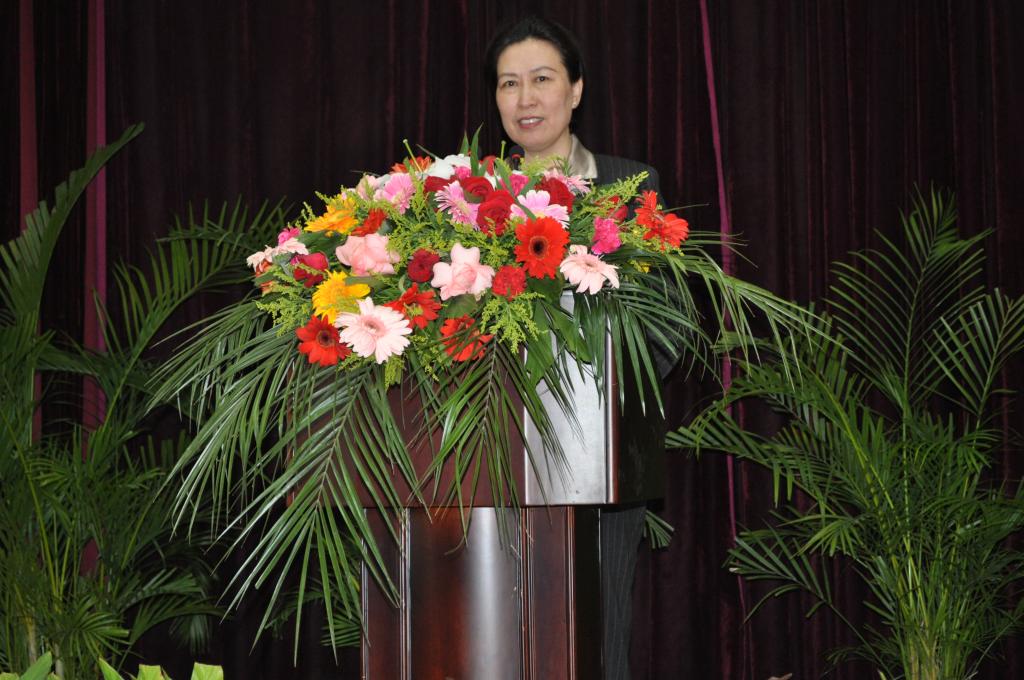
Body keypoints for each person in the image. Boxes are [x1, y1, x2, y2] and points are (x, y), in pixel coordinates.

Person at [485, 16, 665, 680]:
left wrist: (605, 395)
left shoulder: (630, 185)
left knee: (597, 640)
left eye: (541, 79)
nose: (526, 99)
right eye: (509, 84)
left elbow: (663, 325)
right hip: (488, 461)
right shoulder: (470, 198)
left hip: (599, 458)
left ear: (576, 89)